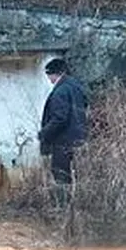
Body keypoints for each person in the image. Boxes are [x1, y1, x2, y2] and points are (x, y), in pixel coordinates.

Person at [38, 58, 87, 192]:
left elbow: (59, 119)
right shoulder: (77, 87)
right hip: (79, 138)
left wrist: (44, 133)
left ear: (55, 73)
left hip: (63, 141)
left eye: (49, 76)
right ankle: (76, 206)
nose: (49, 80)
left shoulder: (60, 91)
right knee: (78, 176)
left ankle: (63, 207)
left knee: (61, 176)